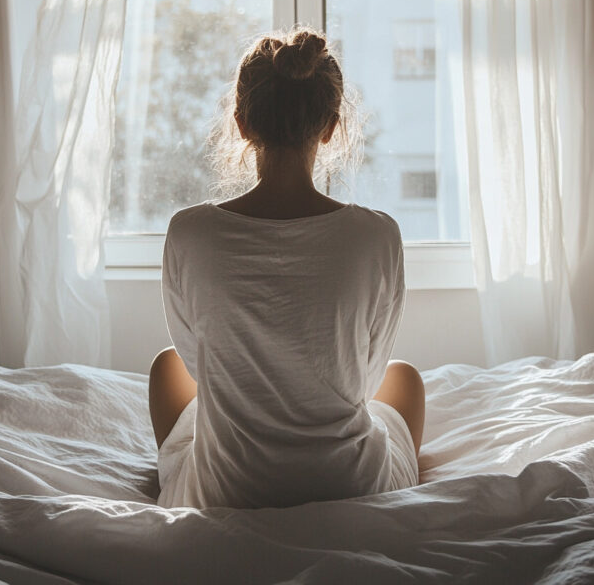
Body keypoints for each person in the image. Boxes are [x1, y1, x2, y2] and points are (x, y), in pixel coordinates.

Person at [149, 28, 425, 509]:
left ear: (240, 123)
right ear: (330, 127)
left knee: (166, 368)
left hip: (229, 493)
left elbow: (199, 364)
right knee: (405, 380)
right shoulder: (377, 235)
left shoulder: (189, 232)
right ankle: (376, 508)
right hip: (349, 486)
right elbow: (364, 379)